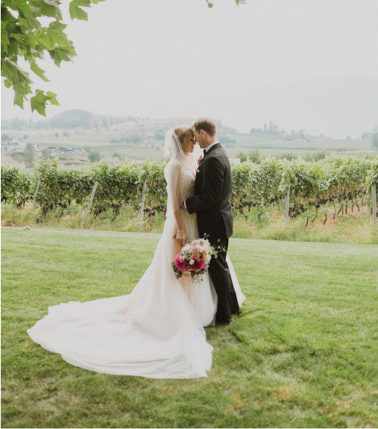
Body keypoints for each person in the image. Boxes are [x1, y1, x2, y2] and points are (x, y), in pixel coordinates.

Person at [27, 127, 245, 379]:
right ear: (183, 141)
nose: (195, 143)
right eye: (191, 139)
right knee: (176, 270)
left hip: (193, 221)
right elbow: (172, 202)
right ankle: (175, 313)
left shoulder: (188, 160)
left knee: (195, 267)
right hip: (181, 223)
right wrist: (181, 229)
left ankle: (198, 309)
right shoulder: (174, 165)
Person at [184, 118, 241, 325]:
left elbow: (212, 197)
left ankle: (224, 316)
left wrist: (187, 204)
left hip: (215, 222)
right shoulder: (217, 153)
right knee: (221, 264)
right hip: (220, 220)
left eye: (196, 136)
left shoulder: (214, 158)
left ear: (203, 133)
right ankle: (232, 307)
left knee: (218, 267)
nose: (195, 140)